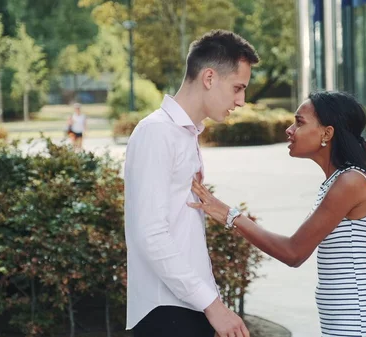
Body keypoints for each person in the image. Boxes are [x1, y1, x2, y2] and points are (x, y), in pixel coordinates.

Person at [189, 91, 366, 337]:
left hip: (362, 326)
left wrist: (229, 214)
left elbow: (294, 252)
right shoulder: (340, 180)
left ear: (327, 133)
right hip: (353, 325)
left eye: (299, 122)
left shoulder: (350, 181)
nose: (289, 130)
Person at [124, 30, 259, 337]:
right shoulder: (157, 132)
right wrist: (213, 305)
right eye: (238, 88)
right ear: (209, 77)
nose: (241, 101)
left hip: (187, 307)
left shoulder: (184, 133)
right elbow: (151, 235)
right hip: (166, 311)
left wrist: (208, 303)